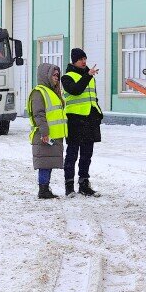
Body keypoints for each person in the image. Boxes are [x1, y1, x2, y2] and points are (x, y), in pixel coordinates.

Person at [61, 47, 102, 196]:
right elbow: (76, 90)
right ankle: (69, 186)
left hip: (90, 120)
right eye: (80, 59)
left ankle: (84, 184)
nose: (84, 61)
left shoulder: (89, 76)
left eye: (85, 58)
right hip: (75, 120)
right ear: (74, 61)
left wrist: (98, 113)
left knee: (87, 154)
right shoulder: (67, 77)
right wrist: (88, 76)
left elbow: (92, 97)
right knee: (72, 154)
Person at [28, 62, 67, 199]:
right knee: (44, 163)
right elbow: (39, 114)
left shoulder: (52, 92)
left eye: (58, 75)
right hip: (44, 135)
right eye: (54, 75)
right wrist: (44, 132)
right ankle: (43, 189)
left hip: (53, 135)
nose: (57, 77)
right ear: (46, 76)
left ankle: (45, 188)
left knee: (48, 162)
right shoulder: (39, 92)